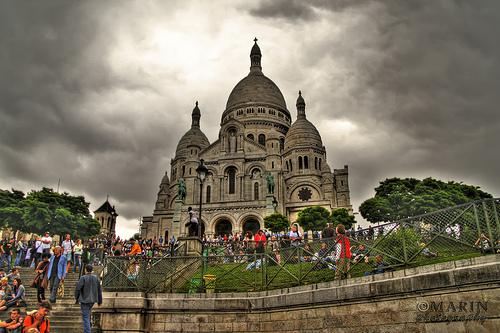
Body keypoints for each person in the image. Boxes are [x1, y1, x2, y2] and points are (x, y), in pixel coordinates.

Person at [75, 264, 103, 333]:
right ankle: (87, 330)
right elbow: (99, 290)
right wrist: (100, 301)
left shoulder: (83, 278)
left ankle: (87, 331)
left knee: (85, 317)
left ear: (85, 270)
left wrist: (77, 297)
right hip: (93, 300)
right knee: (87, 315)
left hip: (85, 300)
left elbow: (78, 289)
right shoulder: (96, 278)